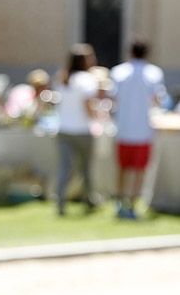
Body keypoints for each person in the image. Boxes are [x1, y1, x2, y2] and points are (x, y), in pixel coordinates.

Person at [110, 40, 166, 220]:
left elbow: (113, 98)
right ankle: (131, 204)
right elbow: (158, 99)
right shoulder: (154, 73)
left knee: (123, 168)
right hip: (142, 131)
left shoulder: (119, 72)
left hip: (124, 129)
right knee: (138, 170)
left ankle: (120, 202)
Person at [54, 43, 99, 216]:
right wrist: (97, 117)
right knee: (85, 168)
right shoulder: (87, 80)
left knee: (65, 168)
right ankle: (89, 200)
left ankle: (60, 203)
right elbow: (88, 105)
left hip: (64, 129)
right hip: (82, 130)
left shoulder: (63, 78)